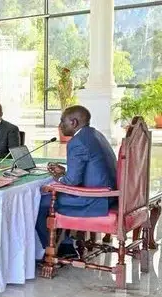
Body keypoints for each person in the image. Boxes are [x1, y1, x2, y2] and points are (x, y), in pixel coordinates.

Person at [36, 105, 117, 257]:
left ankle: (54, 251)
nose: (60, 126)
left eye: (62, 121)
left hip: (94, 200)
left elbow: (72, 182)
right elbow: (87, 170)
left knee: (40, 203)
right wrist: (65, 173)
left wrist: (58, 178)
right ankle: (66, 245)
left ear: (73, 122)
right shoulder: (95, 134)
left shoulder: (77, 141)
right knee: (51, 199)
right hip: (110, 195)